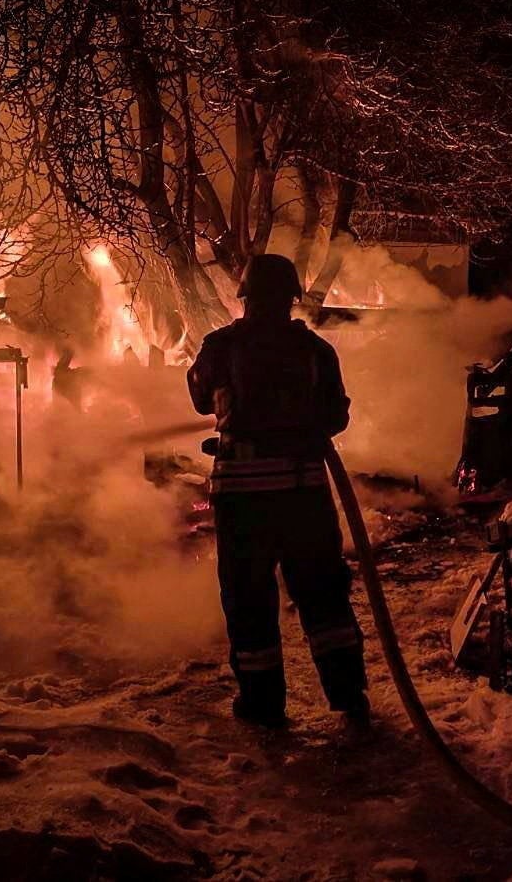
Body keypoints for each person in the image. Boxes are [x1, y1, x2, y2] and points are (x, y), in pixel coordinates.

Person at [187, 253, 369, 729]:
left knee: (250, 604)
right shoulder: (316, 352)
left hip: (243, 504)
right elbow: (336, 416)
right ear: (291, 297)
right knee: (324, 598)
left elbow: (199, 395)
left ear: (244, 296)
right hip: (303, 496)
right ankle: (349, 696)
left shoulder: (220, 347)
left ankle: (263, 706)